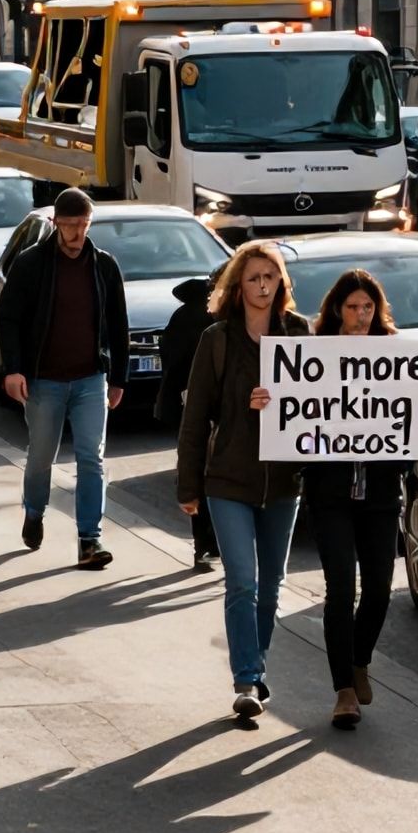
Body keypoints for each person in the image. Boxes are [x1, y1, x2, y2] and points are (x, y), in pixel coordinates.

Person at [176, 240, 313, 720]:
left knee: (271, 585)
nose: (262, 286)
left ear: (281, 284)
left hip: (283, 482)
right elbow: (196, 417)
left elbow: (321, 402)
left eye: (270, 277)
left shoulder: (299, 333)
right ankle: (246, 679)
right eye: (254, 278)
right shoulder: (217, 339)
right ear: (238, 285)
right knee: (242, 580)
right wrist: (188, 486)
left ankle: (257, 663)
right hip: (228, 479)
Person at [0, 187, 129, 568]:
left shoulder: (103, 265)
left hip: (90, 379)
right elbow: (9, 318)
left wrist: (118, 378)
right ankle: (34, 511)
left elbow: (118, 323)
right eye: (69, 225)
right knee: (41, 457)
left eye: (83, 225)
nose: (77, 233)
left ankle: (89, 539)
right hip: (44, 380)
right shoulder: (32, 263)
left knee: (92, 459)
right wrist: (13, 369)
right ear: (55, 223)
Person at [304, 270, 409, 731]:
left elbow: (409, 421)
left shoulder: (397, 356)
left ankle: (359, 658)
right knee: (341, 590)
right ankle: (343, 690)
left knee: (380, 589)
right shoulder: (315, 356)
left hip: (380, 495)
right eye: (353, 307)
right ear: (337, 310)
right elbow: (298, 417)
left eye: (368, 307)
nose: (362, 315)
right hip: (331, 496)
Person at [157, 270, 223, 571]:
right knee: (200, 472)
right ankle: (206, 544)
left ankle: (211, 544)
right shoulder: (194, 317)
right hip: (196, 408)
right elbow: (173, 360)